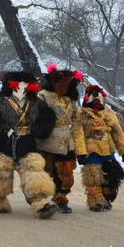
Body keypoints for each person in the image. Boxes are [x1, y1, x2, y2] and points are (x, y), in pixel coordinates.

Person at [0, 71, 58, 219]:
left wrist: (37, 131)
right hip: (4, 144)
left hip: (27, 143)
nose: (22, 89)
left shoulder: (37, 104)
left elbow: (48, 119)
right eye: (18, 86)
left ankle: (40, 203)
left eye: (25, 86)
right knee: (1, 173)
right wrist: (3, 130)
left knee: (34, 170)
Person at [72, 84, 124, 212]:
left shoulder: (109, 114)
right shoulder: (81, 114)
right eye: (93, 96)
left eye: (98, 96)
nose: (96, 100)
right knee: (93, 177)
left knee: (113, 175)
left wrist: (123, 150)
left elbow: (117, 132)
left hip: (108, 149)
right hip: (91, 150)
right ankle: (95, 202)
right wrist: (80, 153)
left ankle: (105, 198)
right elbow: (78, 135)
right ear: (87, 98)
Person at [36, 63, 83, 213]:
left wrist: (80, 149)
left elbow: (76, 123)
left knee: (66, 172)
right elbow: (35, 116)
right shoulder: (43, 95)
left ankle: (61, 198)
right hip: (47, 140)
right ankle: (41, 200)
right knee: (47, 170)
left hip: (66, 141)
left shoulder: (71, 100)